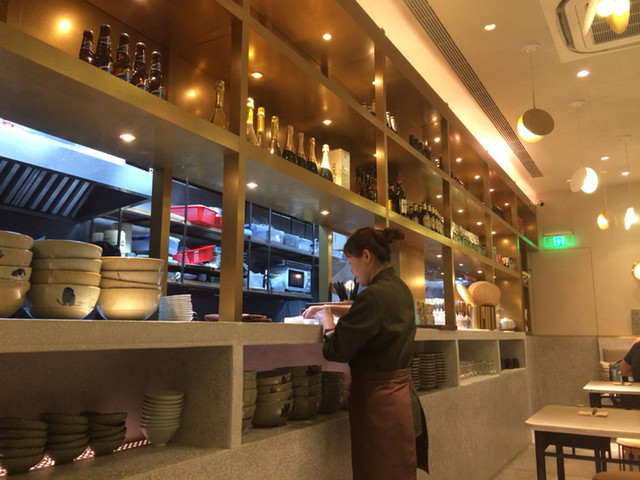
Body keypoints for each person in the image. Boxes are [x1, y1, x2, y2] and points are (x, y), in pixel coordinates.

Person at [303, 226, 428, 480]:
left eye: (351, 262)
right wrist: (332, 308)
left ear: (366, 256)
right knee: (399, 472)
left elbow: (336, 350)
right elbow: (373, 312)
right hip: (401, 400)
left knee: (376, 473)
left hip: (379, 405)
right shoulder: (400, 289)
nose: (351, 270)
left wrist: (327, 322)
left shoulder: (374, 296)